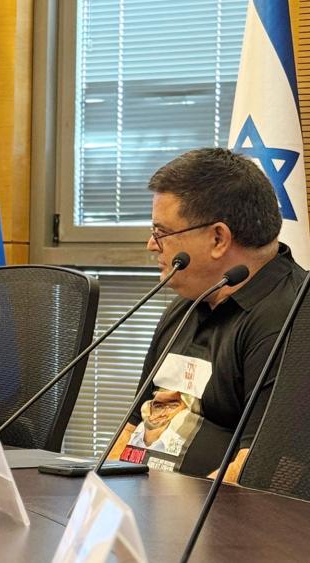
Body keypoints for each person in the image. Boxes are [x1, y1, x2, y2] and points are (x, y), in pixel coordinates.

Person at [110, 147, 306, 481]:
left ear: (218, 238)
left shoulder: (291, 320)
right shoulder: (185, 305)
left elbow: (259, 475)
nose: (151, 244)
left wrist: (167, 520)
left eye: (162, 232)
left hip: (216, 525)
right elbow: (132, 427)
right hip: (143, 509)